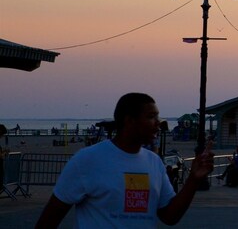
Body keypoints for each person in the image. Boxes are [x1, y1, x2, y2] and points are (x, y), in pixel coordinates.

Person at [35, 93, 214, 229]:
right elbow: (50, 218)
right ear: (129, 121)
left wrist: (193, 179)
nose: (158, 123)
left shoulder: (154, 162)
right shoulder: (87, 160)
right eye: (151, 117)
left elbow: (170, 216)